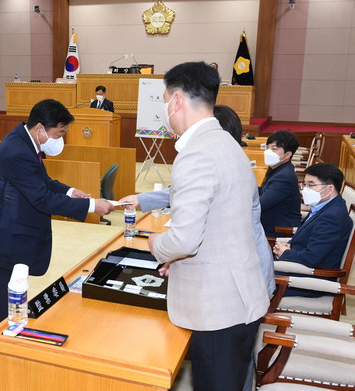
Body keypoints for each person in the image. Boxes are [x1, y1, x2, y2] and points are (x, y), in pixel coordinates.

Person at [146, 62, 269, 391]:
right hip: (239, 295)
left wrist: (157, 244)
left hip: (220, 308)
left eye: (164, 101)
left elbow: (185, 239)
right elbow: (224, 226)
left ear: (176, 102)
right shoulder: (228, 144)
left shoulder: (196, 154)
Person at [0, 99, 115, 325]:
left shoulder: (25, 140)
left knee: (16, 299)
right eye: (59, 134)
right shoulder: (17, 151)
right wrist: (92, 206)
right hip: (6, 239)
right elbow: (42, 198)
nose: (60, 140)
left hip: (14, 232)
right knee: (7, 304)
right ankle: (5, 351)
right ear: (40, 128)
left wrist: (70, 191)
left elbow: (42, 181)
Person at [119, 104, 275, 296]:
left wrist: (160, 245)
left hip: (242, 277)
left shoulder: (220, 160)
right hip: (237, 269)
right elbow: (188, 192)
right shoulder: (230, 157)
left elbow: (190, 237)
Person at [273, 162, 352, 298]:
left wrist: (286, 253)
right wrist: (289, 246)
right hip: (300, 266)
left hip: (309, 281)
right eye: (304, 184)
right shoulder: (324, 205)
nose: (305, 189)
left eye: (311, 185)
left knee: (249, 276)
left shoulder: (332, 217)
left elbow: (311, 258)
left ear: (329, 189)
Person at [259, 130, 302, 236]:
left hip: (278, 230)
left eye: (274, 149)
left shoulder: (283, 177)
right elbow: (264, 189)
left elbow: (260, 204)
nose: (268, 152)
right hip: (271, 223)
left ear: (287, 155)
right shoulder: (281, 168)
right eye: (267, 147)